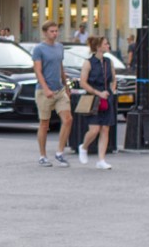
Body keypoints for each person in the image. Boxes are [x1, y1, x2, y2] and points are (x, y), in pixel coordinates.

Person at [31, 20, 73, 167]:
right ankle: (42, 156)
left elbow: (60, 66)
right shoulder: (39, 49)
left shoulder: (60, 47)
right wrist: (46, 88)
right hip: (44, 91)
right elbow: (38, 71)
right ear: (45, 33)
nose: (55, 34)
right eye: (52, 31)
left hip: (59, 89)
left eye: (56, 31)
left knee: (68, 119)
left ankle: (59, 153)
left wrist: (66, 84)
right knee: (44, 124)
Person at [77, 36, 117, 170]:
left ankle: (101, 159)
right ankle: (83, 147)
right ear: (99, 47)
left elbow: (113, 78)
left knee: (105, 129)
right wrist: (98, 93)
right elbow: (83, 82)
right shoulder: (88, 63)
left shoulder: (108, 61)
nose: (108, 46)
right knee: (94, 130)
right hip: (93, 98)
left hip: (107, 98)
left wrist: (112, 89)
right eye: (106, 44)